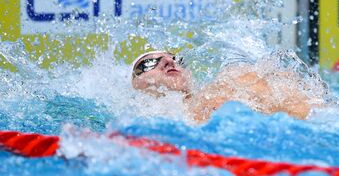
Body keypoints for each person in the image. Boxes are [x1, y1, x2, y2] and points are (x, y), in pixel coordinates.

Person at [131, 51, 324, 122]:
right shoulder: (140, 120)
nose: (169, 61)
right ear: (134, 84)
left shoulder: (222, 86)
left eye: (177, 59)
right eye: (150, 63)